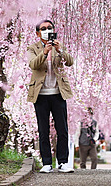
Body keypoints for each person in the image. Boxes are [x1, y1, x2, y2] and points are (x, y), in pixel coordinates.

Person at [27, 19, 75, 173]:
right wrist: (45, 51)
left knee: (62, 129)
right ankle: (47, 163)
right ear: (38, 33)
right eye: (43, 28)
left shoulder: (58, 47)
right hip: (40, 95)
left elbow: (70, 62)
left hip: (58, 93)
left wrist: (59, 50)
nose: (47, 30)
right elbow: (33, 65)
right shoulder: (33, 48)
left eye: (50, 28)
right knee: (43, 129)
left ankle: (62, 162)